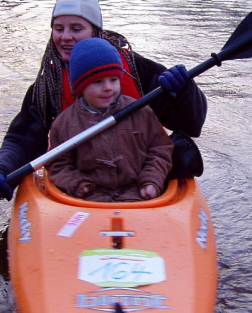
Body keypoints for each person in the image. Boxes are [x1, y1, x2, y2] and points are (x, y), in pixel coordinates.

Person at [0, 0, 206, 202]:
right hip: (84, 187)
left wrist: (185, 91)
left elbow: (191, 125)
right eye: (59, 28)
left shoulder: (134, 70)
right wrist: (0, 170)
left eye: (76, 28)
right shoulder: (47, 87)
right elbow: (22, 141)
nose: (66, 36)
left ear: (95, 30)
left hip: (143, 180)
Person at [48, 38, 173, 202]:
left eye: (114, 80)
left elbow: (161, 149)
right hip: (89, 198)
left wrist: (151, 180)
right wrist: (76, 183)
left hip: (138, 194)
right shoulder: (64, 124)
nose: (108, 87)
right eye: (98, 82)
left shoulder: (141, 112)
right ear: (81, 87)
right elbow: (58, 164)